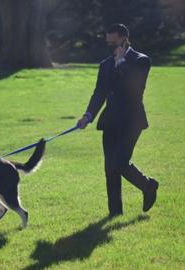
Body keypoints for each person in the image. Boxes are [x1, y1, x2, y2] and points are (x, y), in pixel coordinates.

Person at [76, 23, 159, 217]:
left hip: (132, 121)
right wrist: (87, 116)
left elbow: (134, 90)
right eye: (108, 42)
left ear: (124, 39)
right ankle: (115, 213)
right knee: (109, 169)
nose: (110, 46)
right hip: (110, 122)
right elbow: (99, 93)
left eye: (113, 42)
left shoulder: (141, 61)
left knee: (120, 163)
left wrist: (121, 63)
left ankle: (148, 186)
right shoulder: (105, 64)